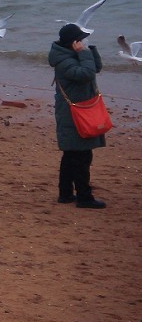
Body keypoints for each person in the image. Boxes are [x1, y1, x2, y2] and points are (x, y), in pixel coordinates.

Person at [50, 23, 107, 209]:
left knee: (72, 154)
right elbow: (86, 74)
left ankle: (65, 194)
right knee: (81, 156)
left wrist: (89, 49)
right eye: (80, 39)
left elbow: (96, 68)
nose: (82, 42)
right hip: (73, 115)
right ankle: (84, 197)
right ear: (72, 43)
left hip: (78, 111)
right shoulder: (64, 61)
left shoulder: (71, 55)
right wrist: (83, 53)